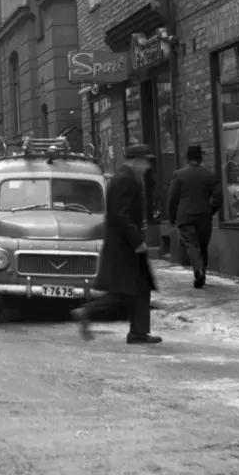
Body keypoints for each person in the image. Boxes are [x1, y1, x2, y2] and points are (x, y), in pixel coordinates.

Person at [74, 144, 162, 345]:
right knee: (123, 292)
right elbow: (120, 214)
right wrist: (137, 241)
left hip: (126, 245)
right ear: (137, 161)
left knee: (140, 287)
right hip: (124, 247)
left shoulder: (128, 177)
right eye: (146, 162)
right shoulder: (124, 179)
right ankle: (87, 312)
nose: (148, 166)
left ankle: (138, 332)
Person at [167, 144, 222, 288]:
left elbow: (172, 198)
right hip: (204, 216)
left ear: (187, 159)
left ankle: (198, 271)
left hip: (185, 216)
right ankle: (202, 271)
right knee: (202, 245)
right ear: (200, 159)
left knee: (192, 244)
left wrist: (172, 217)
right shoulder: (209, 176)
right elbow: (218, 197)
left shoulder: (178, 175)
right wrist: (210, 210)